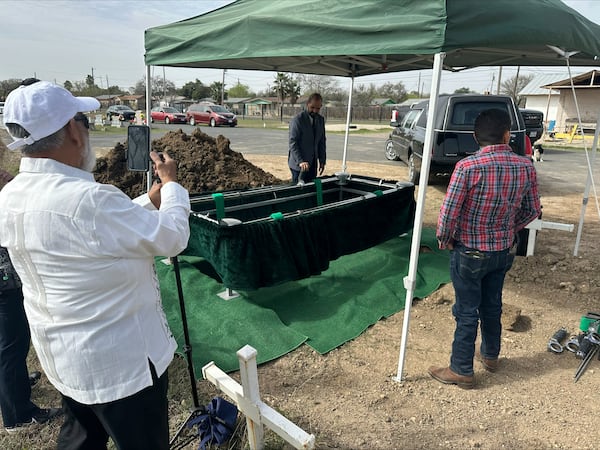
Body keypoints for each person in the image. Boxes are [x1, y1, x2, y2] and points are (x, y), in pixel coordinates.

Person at [0, 80, 190, 449]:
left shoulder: (11, 196)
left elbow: (88, 232)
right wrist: (171, 186)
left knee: (80, 439)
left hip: (68, 362)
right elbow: (172, 238)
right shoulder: (91, 200)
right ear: (72, 129)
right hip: (124, 370)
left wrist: (147, 201)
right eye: (83, 120)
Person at [429, 108, 541, 389]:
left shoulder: (467, 167)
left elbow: (448, 213)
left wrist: (445, 239)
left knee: (467, 310)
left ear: (474, 137)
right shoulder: (525, 165)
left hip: (469, 250)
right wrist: (509, 229)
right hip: (502, 250)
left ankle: (461, 369)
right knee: (492, 305)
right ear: (507, 135)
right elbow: (533, 209)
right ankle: (490, 356)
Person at [0, 169, 62, 433]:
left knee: (12, 341)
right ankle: (19, 416)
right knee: (12, 345)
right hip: (4, 282)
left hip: (8, 279)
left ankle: (16, 384)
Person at [288, 93, 326, 183]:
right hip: (299, 165)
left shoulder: (320, 120)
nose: (315, 111)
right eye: (312, 107)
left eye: (318, 108)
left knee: (311, 191)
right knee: (299, 192)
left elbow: (321, 141)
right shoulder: (298, 120)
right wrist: (301, 161)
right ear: (307, 104)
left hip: (313, 165)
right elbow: (293, 143)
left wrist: (322, 160)